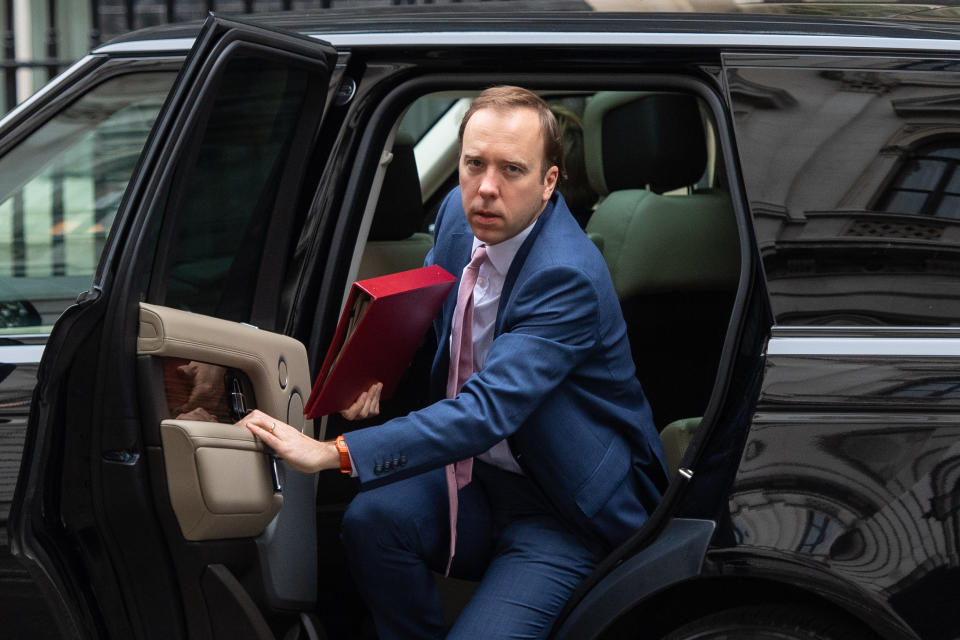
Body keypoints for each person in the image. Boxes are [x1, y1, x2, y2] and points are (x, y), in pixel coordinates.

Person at [241, 86, 668, 639]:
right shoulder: (456, 216)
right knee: (371, 523)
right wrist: (375, 374)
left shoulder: (565, 276)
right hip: (479, 479)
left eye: (512, 170)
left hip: (563, 507)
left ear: (549, 182)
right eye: (474, 164)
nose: (487, 189)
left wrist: (332, 452)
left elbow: (484, 413)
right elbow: (426, 308)